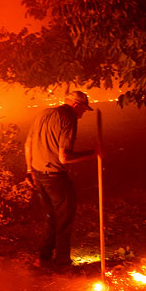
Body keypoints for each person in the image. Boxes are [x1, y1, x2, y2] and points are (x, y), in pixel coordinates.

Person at [24, 91, 97, 273]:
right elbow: (64, 157)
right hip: (55, 177)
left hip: (39, 174)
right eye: (83, 110)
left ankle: (43, 258)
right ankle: (63, 264)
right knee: (64, 218)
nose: (82, 114)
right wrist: (93, 154)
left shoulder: (44, 113)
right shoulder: (68, 118)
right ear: (76, 105)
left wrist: (29, 170)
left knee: (51, 217)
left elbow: (28, 143)